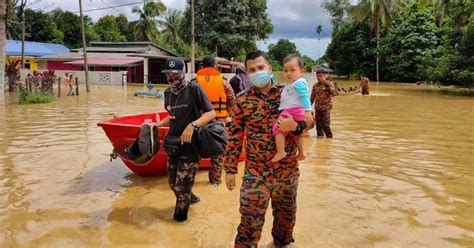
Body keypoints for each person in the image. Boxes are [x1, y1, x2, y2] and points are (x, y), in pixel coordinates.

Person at [224, 51, 313, 247]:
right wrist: (230, 170)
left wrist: (295, 127)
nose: (257, 73)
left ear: (270, 69)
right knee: (249, 225)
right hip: (256, 173)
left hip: (287, 171)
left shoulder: (289, 91)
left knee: (285, 225)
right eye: (252, 70)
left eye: (261, 68)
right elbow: (235, 138)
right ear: (247, 73)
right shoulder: (242, 101)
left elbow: (309, 120)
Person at [155, 57, 216, 222]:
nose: (170, 77)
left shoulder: (194, 89)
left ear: (183, 73)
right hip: (173, 145)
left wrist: (193, 125)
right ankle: (192, 198)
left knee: (181, 188)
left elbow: (211, 113)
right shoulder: (168, 93)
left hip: (191, 146)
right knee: (172, 184)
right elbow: (172, 116)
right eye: (167, 74)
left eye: (174, 73)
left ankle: (179, 223)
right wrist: (157, 124)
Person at [196, 56, 235, 186]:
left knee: (194, 150)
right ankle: (215, 182)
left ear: (202, 66)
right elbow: (232, 101)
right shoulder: (224, 82)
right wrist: (227, 115)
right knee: (218, 152)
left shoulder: (194, 81)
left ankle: (191, 180)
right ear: (215, 66)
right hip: (219, 121)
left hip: (199, 121)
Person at [272, 54, 312, 162]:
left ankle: (281, 151)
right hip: (296, 112)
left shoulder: (298, 83)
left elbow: (304, 96)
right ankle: (302, 151)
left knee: (277, 128)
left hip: (292, 111)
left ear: (302, 71)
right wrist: (271, 77)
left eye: (292, 70)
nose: (288, 73)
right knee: (294, 133)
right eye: (285, 70)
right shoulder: (291, 84)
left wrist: (308, 112)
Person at [310, 68, 337, 138]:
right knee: (318, 127)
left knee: (326, 125)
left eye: (320, 76)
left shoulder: (329, 84)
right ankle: (320, 144)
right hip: (318, 109)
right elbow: (312, 98)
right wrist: (307, 108)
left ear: (325, 76)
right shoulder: (315, 85)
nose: (318, 78)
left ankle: (329, 139)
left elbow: (334, 94)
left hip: (326, 108)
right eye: (317, 76)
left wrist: (327, 85)